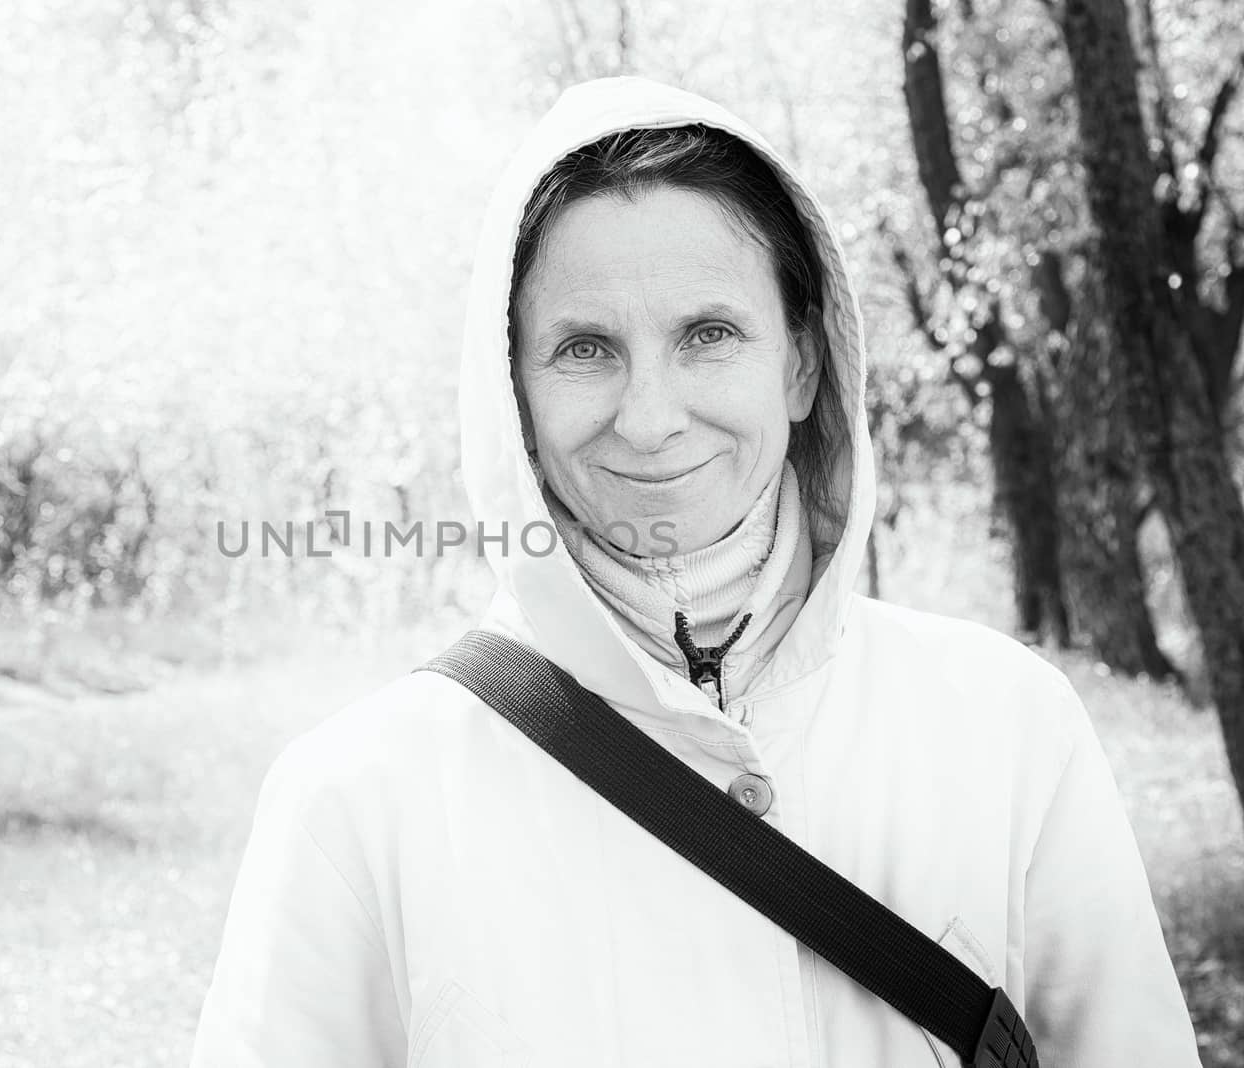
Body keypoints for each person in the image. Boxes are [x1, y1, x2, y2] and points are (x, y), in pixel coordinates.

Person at [189, 76, 1200, 1067]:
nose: (650, 417)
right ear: (515, 398)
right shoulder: (360, 797)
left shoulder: (1007, 726)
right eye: (585, 349)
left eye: (707, 336)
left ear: (800, 363)